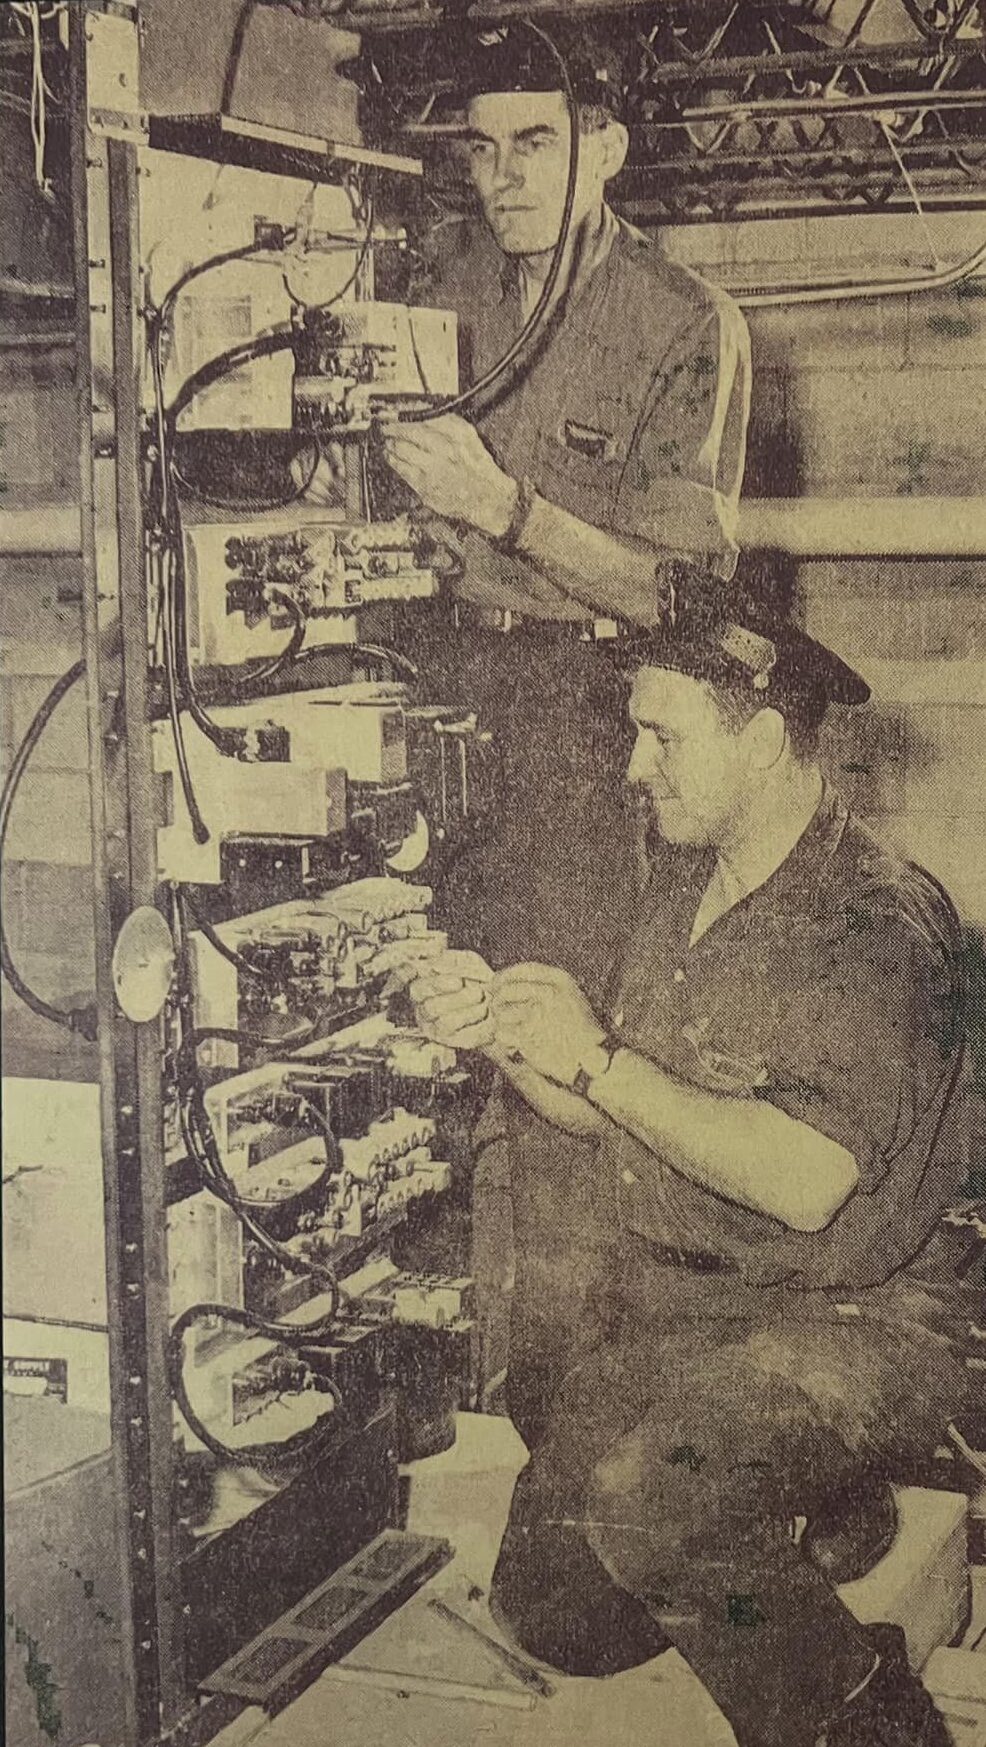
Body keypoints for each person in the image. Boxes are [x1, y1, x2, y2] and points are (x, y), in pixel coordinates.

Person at [404, 570, 969, 1747]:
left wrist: (600, 1058)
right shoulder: (686, 881)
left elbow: (805, 1180)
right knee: (555, 1608)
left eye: (661, 734)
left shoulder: (875, 919)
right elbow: (614, 1117)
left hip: (863, 1317)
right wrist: (513, 1038)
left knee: (655, 1493)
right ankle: (814, 1529)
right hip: (703, 1307)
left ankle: (871, 1724)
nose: (632, 764)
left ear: (762, 738)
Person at [380, 23, 751, 1426]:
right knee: (402, 1016)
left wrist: (502, 509)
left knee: (551, 1061)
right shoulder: (438, 286)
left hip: (572, 716)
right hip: (421, 685)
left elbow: (681, 588)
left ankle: (574, 1435)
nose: (500, 173)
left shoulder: (677, 320)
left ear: (607, 142)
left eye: (534, 140)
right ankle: (414, 1400)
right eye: (480, 145)